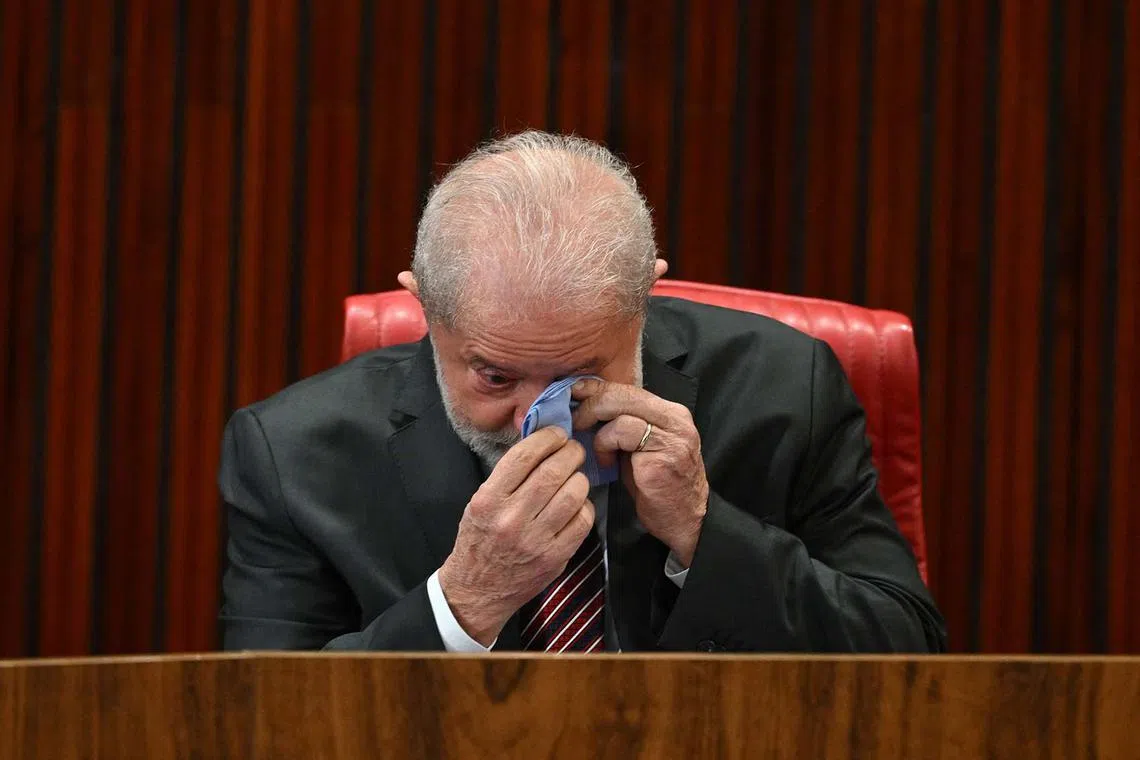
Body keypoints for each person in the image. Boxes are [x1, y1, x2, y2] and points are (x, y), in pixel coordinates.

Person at [219, 131, 947, 653]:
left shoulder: (785, 390)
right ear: (424, 311)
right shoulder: (292, 454)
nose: (541, 420)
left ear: (646, 300)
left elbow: (908, 653)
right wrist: (466, 603)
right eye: (496, 376)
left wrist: (703, 530)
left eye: (578, 375)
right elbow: (263, 723)